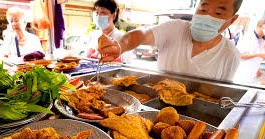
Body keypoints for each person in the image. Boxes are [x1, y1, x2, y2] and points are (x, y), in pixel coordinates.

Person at [98, 0, 243, 81]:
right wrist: (120, 45)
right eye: (203, 10)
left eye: (218, 13)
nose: (207, 17)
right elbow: (142, 34)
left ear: (232, 20)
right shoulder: (175, 28)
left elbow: (221, 95)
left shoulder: (230, 55)